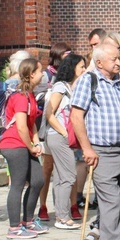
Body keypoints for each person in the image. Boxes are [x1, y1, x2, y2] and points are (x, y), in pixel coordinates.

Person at [70, 44, 120, 240]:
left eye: (119, 59)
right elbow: (76, 116)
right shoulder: (89, 81)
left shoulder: (118, 84)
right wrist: (86, 148)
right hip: (101, 152)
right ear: (99, 63)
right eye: (114, 59)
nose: (118, 63)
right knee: (111, 203)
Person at [0, 58, 49, 239]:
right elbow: (20, 127)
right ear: (32, 74)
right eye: (40, 70)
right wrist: (30, 146)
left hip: (25, 143)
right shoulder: (20, 97)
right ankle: (14, 228)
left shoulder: (31, 95)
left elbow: (31, 124)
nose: (43, 74)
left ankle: (28, 221)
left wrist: (36, 144)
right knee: (18, 185)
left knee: (37, 181)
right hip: (14, 144)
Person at [44, 53, 86, 229]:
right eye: (81, 67)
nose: (84, 70)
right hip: (58, 136)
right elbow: (49, 112)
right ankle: (62, 217)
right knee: (68, 176)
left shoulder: (70, 86)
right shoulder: (60, 87)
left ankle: (62, 216)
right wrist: (63, 133)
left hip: (61, 137)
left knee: (62, 177)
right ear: (73, 68)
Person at [38, 42, 72, 222]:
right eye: (66, 57)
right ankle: (43, 205)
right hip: (48, 128)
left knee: (63, 171)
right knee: (47, 168)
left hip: (59, 129)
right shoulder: (46, 76)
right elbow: (40, 103)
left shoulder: (69, 78)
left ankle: (65, 207)